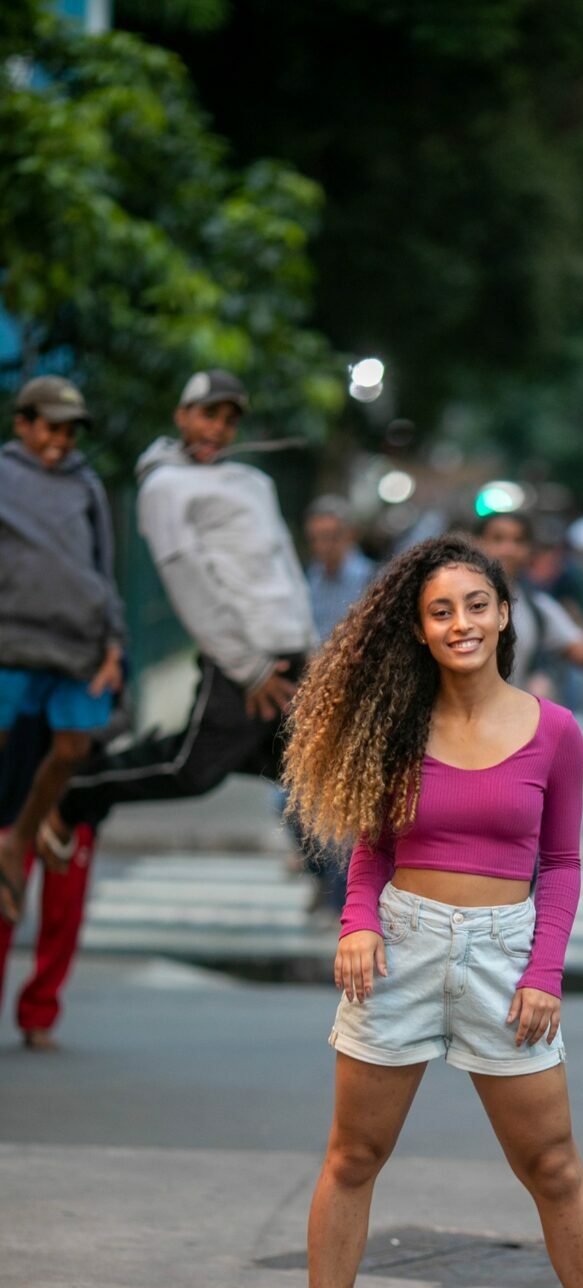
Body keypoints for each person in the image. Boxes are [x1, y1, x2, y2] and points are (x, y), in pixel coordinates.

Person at [279, 534, 583, 1288]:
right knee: (352, 1157)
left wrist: (543, 969)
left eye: (476, 605)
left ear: (505, 614)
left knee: (552, 1165)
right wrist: (358, 923)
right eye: (440, 611)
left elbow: (562, 863)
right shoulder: (396, 725)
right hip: (398, 950)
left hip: (505, 961)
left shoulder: (555, 732)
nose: (460, 623)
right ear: (420, 628)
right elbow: (371, 847)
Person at [38, 370, 317, 860]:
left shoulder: (254, 482)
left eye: (228, 420)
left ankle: (363, 887)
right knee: (190, 769)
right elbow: (190, 584)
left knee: (310, 774)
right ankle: (77, 791)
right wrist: (248, 667)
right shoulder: (165, 486)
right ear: (182, 416)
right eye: (208, 414)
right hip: (246, 664)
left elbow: (286, 567)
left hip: (291, 654)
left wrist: (311, 647)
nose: (217, 429)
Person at [0, 377, 125, 922]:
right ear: (22, 424)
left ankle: (18, 839)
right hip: (12, 640)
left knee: (73, 748)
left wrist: (114, 643)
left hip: (78, 644)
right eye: (50, 427)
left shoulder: (85, 485)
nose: (60, 440)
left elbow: (104, 566)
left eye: (70, 432)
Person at [0, 716, 97, 1047]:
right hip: (14, 792)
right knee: (3, 906)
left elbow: (118, 716)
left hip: (73, 801)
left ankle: (39, 1012)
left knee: (63, 910)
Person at [475, 513, 583, 693]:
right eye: (498, 539)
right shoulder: (452, 601)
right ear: (476, 543)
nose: (509, 549)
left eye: (518, 541)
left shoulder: (538, 606)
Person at [304, 495, 374, 640]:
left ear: (350, 535)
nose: (322, 546)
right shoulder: (309, 577)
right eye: (315, 539)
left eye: (330, 537)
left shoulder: (372, 577)